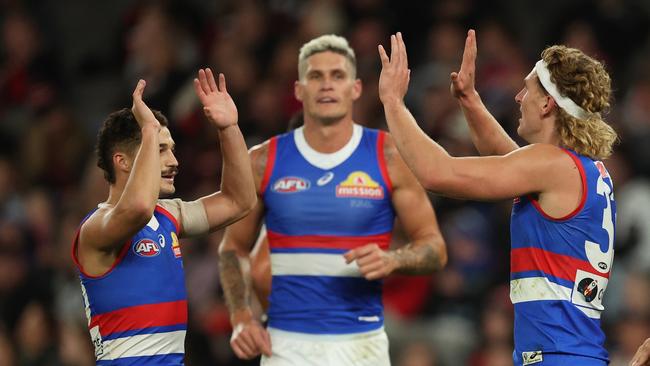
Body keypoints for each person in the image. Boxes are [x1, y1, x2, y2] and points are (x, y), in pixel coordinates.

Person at [378, 31, 617, 365]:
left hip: (558, 358)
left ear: (548, 103)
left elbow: (437, 173)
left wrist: (393, 103)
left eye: (528, 89)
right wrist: (470, 100)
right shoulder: (580, 171)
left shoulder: (552, 166)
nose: (519, 97)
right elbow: (507, 161)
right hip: (570, 355)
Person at [218, 34, 448, 365]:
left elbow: (435, 248)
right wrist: (240, 317)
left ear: (355, 89)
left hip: (361, 345)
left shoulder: (390, 157)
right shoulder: (261, 161)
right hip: (285, 346)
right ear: (299, 90)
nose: (327, 85)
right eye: (316, 76)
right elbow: (232, 248)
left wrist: (395, 260)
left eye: (337, 76)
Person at [71, 68, 256, 365]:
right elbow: (138, 209)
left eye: (171, 149)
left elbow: (239, 201)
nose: (174, 161)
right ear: (123, 162)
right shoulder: (96, 229)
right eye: (160, 150)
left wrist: (229, 129)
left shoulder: (167, 216)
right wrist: (147, 130)